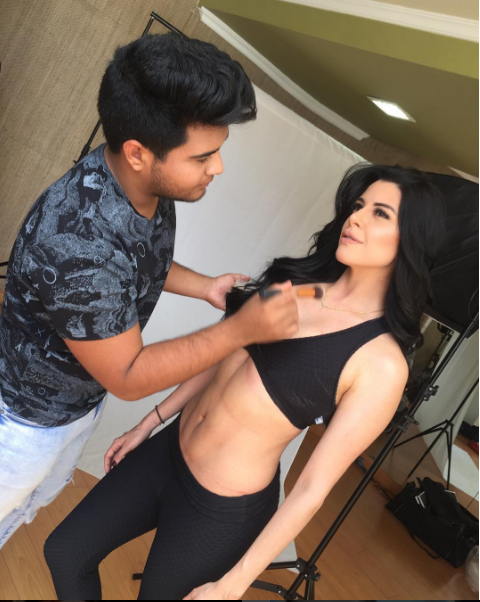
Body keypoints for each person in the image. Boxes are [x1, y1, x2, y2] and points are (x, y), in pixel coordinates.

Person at [43, 162, 446, 600]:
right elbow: (223, 358)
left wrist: (233, 585)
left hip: (218, 512)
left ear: (411, 240)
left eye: (380, 214)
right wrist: (150, 422)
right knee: (66, 552)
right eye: (359, 205)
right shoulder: (300, 284)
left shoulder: (382, 364)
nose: (357, 218)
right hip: (168, 452)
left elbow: (312, 488)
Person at [0, 33, 300, 549]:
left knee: (20, 515)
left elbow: (137, 264)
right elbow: (129, 375)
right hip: (24, 424)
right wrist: (240, 331)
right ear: (138, 152)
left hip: (75, 406)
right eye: (203, 157)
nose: (217, 168)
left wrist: (206, 287)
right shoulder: (78, 241)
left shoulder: (141, 185)